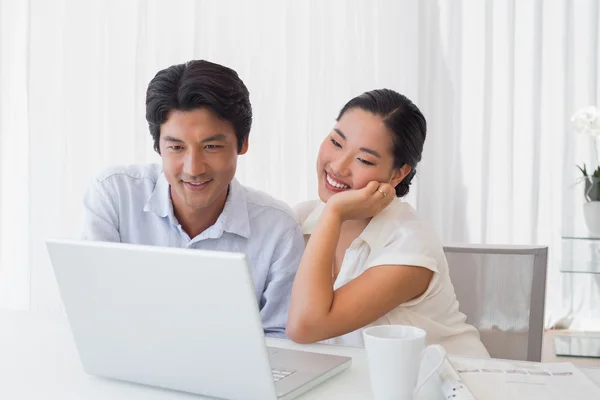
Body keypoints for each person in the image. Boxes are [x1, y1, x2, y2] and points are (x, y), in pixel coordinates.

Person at [82, 60, 304, 338]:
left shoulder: (277, 229)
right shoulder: (114, 195)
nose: (193, 168)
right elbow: (91, 310)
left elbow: (279, 339)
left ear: (243, 142)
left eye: (211, 146)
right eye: (176, 147)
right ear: (158, 146)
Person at [286, 89, 489, 357]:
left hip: (448, 385)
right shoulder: (300, 219)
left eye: (364, 159)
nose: (338, 166)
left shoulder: (411, 244)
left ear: (398, 173)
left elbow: (306, 327)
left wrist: (334, 212)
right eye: (336, 142)